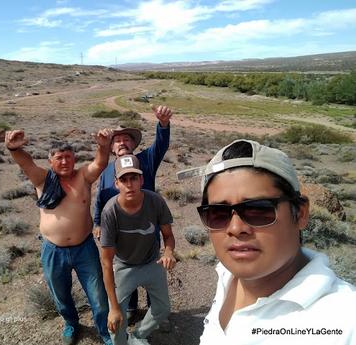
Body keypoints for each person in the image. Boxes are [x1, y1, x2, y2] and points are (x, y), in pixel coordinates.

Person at [196, 139, 356, 345]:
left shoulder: (345, 320)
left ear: (300, 213)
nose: (235, 229)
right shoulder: (227, 275)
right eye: (218, 213)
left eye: (259, 210)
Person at [5, 128, 114, 345]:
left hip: (85, 248)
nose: (64, 162)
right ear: (50, 160)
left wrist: (103, 145)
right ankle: (71, 324)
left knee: (98, 295)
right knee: (60, 293)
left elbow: (100, 164)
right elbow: (26, 163)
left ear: (74, 159)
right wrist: (13, 148)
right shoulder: (43, 179)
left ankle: (104, 331)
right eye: (59, 158)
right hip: (53, 250)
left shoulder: (83, 176)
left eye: (68, 157)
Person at [93, 105, 173, 320]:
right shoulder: (107, 171)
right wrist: (98, 222)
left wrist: (163, 124)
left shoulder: (145, 159)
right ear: (111, 147)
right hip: (119, 227)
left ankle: (154, 307)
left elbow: (161, 145)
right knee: (124, 263)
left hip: (148, 224)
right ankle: (129, 306)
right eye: (117, 140)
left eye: (126, 139)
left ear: (133, 144)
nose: (122, 143)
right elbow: (100, 198)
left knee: (150, 263)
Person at [100, 154, 177, 345]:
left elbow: (168, 235)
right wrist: (113, 308)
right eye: (123, 179)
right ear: (116, 183)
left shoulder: (155, 201)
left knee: (162, 308)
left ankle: (138, 337)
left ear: (141, 180)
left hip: (152, 262)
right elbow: (107, 262)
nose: (129, 184)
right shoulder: (110, 212)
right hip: (124, 266)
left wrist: (168, 252)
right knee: (117, 320)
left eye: (133, 178)